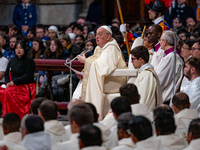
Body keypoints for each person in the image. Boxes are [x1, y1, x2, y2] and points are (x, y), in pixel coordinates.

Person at [75, 25, 127, 120]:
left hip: (114, 81)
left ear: (107, 37)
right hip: (107, 78)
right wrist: (83, 73)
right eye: (96, 34)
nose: (96, 37)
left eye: (100, 34)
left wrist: (85, 61)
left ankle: (88, 116)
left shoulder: (111, 47)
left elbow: (103, 66)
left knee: (80, 89)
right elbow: (95, 61)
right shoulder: (100, 47)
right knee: (79, 88)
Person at [0, 40, 36, 119]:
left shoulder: (29, 60)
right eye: (16, 48)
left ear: (24, 49)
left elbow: (28, 76)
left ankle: (8, 115)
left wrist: (14, 82)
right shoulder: (12, 61)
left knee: (7, 92)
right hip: (12, 85)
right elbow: (6, 74)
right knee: (2, 91)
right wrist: (7, 83)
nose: (18, 50)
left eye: (20, 48)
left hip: (25, 86)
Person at [131, 46, 162, 110]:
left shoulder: (147, 74)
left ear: (140, 60)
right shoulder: (144, 72)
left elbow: (143, 98)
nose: (131, 62)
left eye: (132, 59)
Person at [155, 30, 184, 101]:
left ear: (165, 42)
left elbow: (160, 80)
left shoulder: (171, 57)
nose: (159, 42)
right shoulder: (169, 56)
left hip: (166, 97)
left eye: (160, 40)